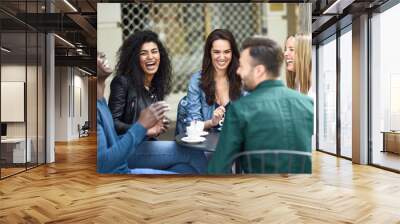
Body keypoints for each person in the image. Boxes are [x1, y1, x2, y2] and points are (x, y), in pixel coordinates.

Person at [207, 37, 314, 174]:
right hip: (303, 191)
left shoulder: (240, 110)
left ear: (259, 71)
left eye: (242, 66)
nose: (238, 72)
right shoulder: (307, 104)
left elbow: (217, 169)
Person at [97, 53, 207, 174]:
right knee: (192, 157)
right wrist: (141, 125)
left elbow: (113, 143)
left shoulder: (101, 102)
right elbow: (103, 165)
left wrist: (147, 131)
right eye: (95, 54)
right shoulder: (95, 108)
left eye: (154, 51)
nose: (101, 54)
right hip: (121, 174)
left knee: (188, 168)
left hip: (125, 159)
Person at [108, 30, 172, 137]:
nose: (150, 57)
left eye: (154, 51)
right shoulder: (122, 83)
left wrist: (159, 124)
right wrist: (144, 130)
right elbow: (112, 124)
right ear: (134, 59)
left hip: (146, 144)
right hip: (127, 147)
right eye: (143, 53)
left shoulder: (156, 86)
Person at [185, 29, 243, 132]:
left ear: (232, 53)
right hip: (206, 145)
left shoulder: (242, 79)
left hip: (237, 145)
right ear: (209, 53)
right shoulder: (197, 80)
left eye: (227, 52)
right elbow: (192, 124)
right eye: (216, 52)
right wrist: (211, 122)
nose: (222, 57)